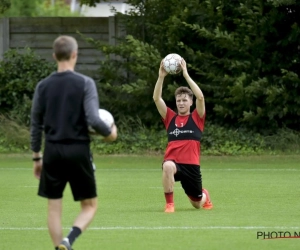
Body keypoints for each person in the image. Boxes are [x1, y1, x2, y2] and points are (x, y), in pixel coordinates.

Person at [30, 35, 117, 250]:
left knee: (53, 207)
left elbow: (35, 124)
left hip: (52, 150)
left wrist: (36, 157)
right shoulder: (85, 83)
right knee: (89, 206)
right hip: (78, 150)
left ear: (54, 56)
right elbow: (93, 119)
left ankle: (59, 247)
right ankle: (69, 240)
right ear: (75, 54)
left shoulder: (43, 86)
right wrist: (110, 133)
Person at [153, 58, 213, 213]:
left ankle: (205, 195)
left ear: (190, 102)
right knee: (167, 166)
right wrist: (161, 76)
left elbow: (200, 97)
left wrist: (185, 74)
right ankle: (169, 205)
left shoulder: (196, 118)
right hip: (174, 163)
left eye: (184, 100)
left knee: (197, 203)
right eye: (178, 100)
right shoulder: (170, 117)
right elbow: (156, 99)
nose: (181, 103)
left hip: (191, 166)